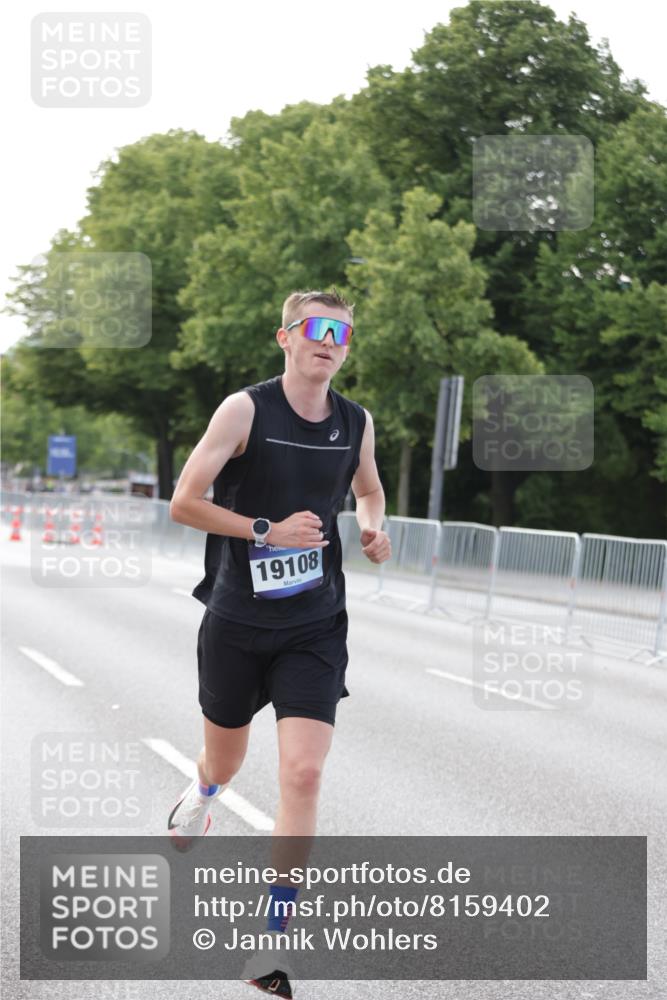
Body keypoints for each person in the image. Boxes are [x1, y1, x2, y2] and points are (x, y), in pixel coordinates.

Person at [167, 288, 391, 996]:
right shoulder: (244, 410)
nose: (329, 341)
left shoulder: (356, 422)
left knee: (302, 774)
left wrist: (372, 526)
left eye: (342, 333)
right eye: (316, 328)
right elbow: (183, 502)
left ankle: (272, 945)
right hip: (237, 619)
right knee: (226, 759)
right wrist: (267, 531)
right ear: (285, 337)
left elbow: (369, 490)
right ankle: (204, 788)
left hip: (314, 624)